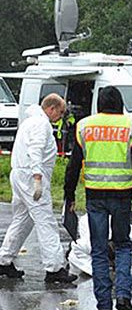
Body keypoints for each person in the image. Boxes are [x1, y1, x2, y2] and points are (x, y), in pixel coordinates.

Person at [64, 86, 132, 310]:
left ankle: (103, 302)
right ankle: (123, 296)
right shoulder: (131, 127)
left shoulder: (84, 126)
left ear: (99, 104)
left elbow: (73, 165)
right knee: (123, 245)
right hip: (122, 195)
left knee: (99, 248)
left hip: (95, 195)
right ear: (120, 103)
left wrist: (69, 194)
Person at [0, 93, 78, 283]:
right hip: (30, 177)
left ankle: (4, 260)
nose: (59, 117)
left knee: (22, 220)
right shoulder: (41, 124)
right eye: (59, 113)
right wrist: (37, 177)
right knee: (46, 221)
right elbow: (35, 149)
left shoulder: (29, 122)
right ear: (51, 109)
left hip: (20, 175)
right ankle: (54, 267)